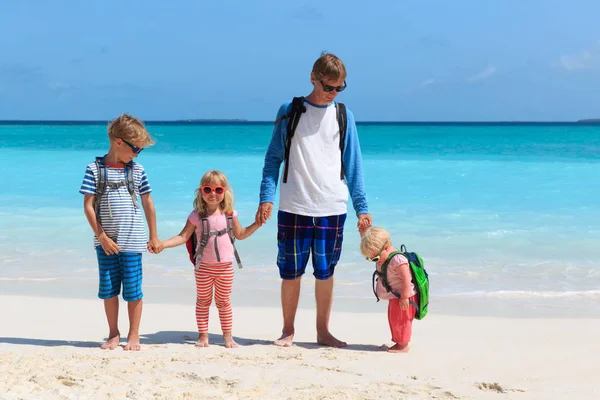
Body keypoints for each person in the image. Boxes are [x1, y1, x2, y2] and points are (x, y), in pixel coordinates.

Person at [256, 52, 372, 348]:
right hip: (294, 206)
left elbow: (354, 164)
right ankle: (287, 330)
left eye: (339, 88)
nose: (332, 93)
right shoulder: (290, 110)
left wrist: (362, 209)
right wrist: (266, 198)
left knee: (325, 273)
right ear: (313, 77)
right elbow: (273, 159)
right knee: (290, 272)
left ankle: (323, 331)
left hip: (332, 208)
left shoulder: (344, 115)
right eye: (328, 87)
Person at [79, 114, 159, 351]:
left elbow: (148, 203)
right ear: (118, 142)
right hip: (105, 242)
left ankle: (134, 334)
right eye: (136, 149)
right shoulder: (94, 169)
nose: (137, 154)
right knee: (109, 289)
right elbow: (87, 206)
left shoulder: (137, 170)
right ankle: (114, 333)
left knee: (133, 289)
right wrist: (102, 236)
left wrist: (153, 236)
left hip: (133, 241)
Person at [157, 170, 260, 348]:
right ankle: (203, 336)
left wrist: (257, 224)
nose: (213, 194)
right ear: (201, 192)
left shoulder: (230, 214)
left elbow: (241, 234)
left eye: (218, 190)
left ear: (225, 191)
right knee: (203, 301)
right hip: (203, 267)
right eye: (208, 189)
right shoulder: (196, 215)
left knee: (224, 302)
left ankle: (228, 336)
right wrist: (162, 244)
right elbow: (182, 237)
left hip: (226, 267)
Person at [360, 227, 418, 353]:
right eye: (370, 259)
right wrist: (362, 233)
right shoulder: (383, 253)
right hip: (394, 296)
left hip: (403, 296)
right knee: (394, 319)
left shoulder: (397, 260)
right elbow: (372, 244)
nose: (374, 261)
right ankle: (399, 341)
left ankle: (403, 345)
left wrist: (404, 297)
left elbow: (406, 279)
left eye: (375, 259)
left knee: (401, 321)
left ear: (386, 247)